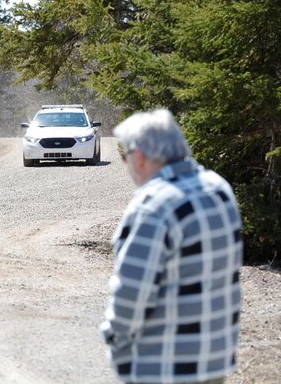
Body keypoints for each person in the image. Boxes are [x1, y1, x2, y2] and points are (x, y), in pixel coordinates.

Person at [101, 109, 243, 384]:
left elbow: (131, 294)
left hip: (163, 367)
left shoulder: (154, 205)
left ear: (138, 156)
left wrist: (113, 337)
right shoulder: (219, 189)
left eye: (124, 157)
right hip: (214, 361)